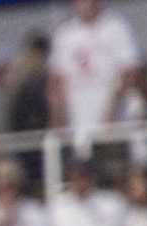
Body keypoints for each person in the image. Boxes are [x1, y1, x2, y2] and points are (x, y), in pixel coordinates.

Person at [49, 0, 141, 140]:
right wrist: (59, 118)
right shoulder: (65, 33)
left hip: (114, 113)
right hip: (79, 115)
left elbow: (129, 71)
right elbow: (57, 80)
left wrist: (112, 110)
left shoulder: (115, 27)